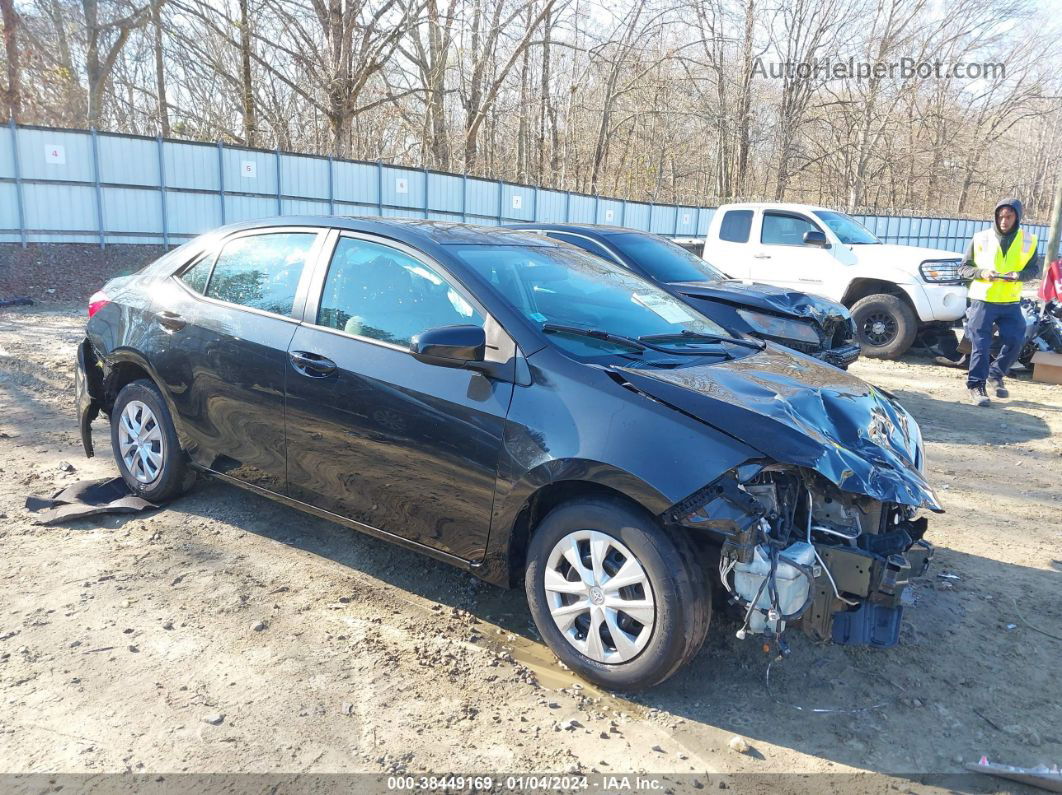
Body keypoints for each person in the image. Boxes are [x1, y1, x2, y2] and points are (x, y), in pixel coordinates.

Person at [958, 198, 1040, 406]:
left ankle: (996, 373)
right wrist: (982, 272)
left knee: (1016, 339)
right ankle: (976, 386)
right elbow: (964, 268)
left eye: (1009, 216)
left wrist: (1019, 275)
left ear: (1017, 217)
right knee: (981, 345)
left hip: (1010, 301)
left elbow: (1033, 270)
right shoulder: (981, 238)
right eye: (1000, 216)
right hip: (983, 300)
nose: (1004, 220)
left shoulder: (1029, 240)